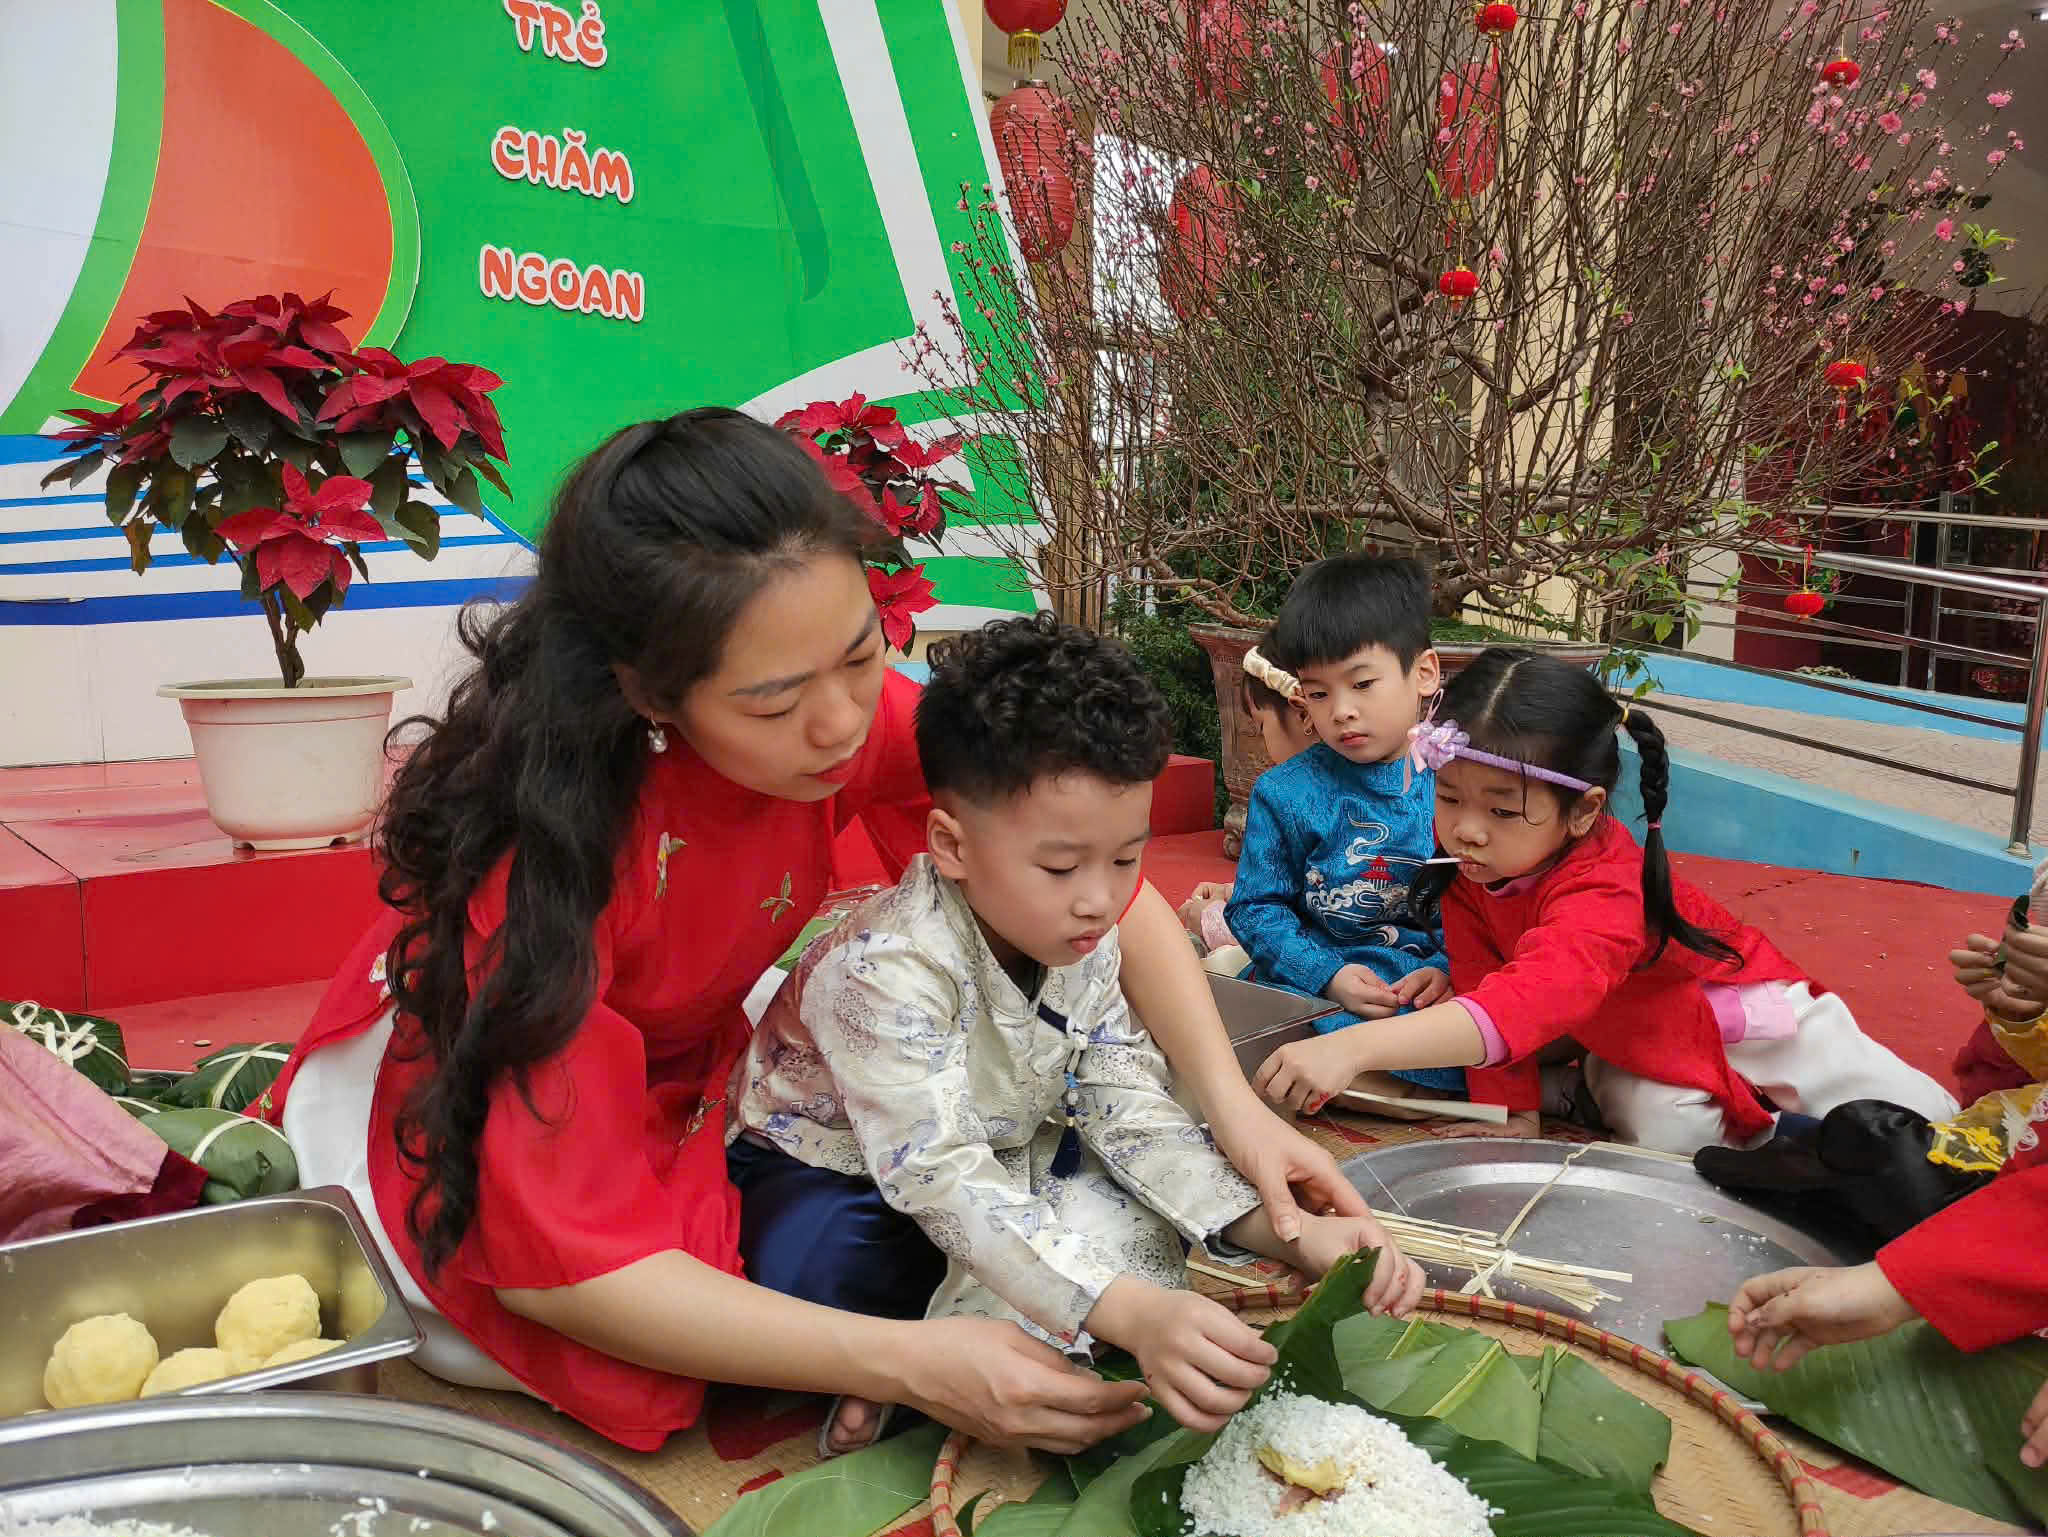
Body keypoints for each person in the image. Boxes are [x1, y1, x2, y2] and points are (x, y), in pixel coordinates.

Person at [264, 409, 1368, 1455]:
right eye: (773, 700)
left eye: (860, 653)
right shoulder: (547, 871)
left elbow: (1086, 870)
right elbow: (559, 1265)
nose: (842, 721)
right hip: (512, 1076)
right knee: (683, 1341)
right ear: (646, 691)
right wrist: (911, 1364)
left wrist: (1234, 1114)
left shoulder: (839, 716)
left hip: (697, 1062)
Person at [731, 615, 1425, 1452]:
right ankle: (913, 1366)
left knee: (1130, 1221)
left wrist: (1288, 1230)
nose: (1100, 900)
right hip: (837, 1176)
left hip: (1000, 1157)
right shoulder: (882, 969)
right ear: (951, 844)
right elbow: (938, 1177)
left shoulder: (1079, 936)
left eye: (1127, 859)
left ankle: (977, 1352)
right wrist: (1129, 1312)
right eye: (1061, 866)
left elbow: (1121, 1097)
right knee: (833, 1269)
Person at [1252, 648, 1957, 1151]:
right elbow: (1487, 983)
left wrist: (1352, 1048)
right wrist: (1513, 1114)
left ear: (1583, 811)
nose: (1466, 829)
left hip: (1747, 1012)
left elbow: (1521, 1002)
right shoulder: (1472, 873)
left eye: (1502, 810)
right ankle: (1604, 1090)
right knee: (1668, 1132)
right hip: (1628, 1031)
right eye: (1451, 797)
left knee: (1928, 1123)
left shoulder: (1606, 886)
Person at [1223, 556, 1462, 1101]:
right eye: (1318, 693)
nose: (1341, 711)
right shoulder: (1286, 793)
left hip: (1426, 993)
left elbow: (1491, 901)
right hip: (1324, 986)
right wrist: (1326, 973)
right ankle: (1385, 1087)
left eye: (1362, 684)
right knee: (1250, 1022)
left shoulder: (1462, 782)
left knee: (1497, 1028)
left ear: (1424, 673)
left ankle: (1378, 1084)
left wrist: (1448, 967)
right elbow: (1254, 907)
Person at [1177, 641, 1319, 966]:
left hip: (1312, 953)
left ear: (1302, 713)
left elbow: (1304, 918)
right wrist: (1232, 891)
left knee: (1194, 938)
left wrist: (1209, 918)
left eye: (1261, 726)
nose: (1264, 741)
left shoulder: (1282, 792)